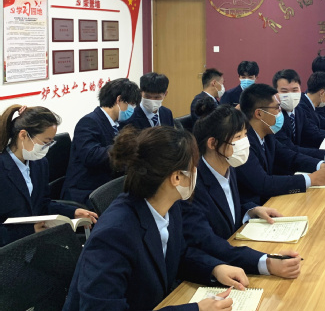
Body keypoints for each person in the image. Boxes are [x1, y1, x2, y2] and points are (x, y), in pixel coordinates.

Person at [63, 126, 248, 311]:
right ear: (176, 177)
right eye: (194, 166)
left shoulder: (169, 206)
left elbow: (178, 255)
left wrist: (214, 269)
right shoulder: (114, 234)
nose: (196, 171)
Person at [183, 102, 302, 279]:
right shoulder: (192, 185)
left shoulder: (228, 165)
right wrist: (266, 263)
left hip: (233, 250)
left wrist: (250, 210)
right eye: (238, 137)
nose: (245, 143)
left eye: (245, 134)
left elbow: (224, 208)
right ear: (212, 143)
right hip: (210, 270)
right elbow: (208, 243)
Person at [0, 105, 97, 246]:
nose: (46, 149)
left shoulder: (39, 163)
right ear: (23, 135)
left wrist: (73, 212)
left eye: (50, 143)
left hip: (37, 243)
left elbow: (43, 204)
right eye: (45, 143)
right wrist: (29, 231)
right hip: (9, 249)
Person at [235, 83, 325, 205]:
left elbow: (290, 156)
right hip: (254, 207)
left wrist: (320, 165)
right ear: (259, 114)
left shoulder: (267, 134)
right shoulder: (243, 143)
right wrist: (311, 179)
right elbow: (263, 183)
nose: (280, 112)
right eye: (277, 108)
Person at [62, 78, 141, 206]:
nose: (132, 109)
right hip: (87, 192)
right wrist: (123, 148)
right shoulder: (88, 122)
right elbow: (91, 155)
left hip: (108, 186)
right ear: (119, 100)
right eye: (131, 104)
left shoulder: (120, 124)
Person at [272, 69, 325, 163]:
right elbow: (290, 150)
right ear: (275, 93)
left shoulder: (298, 110)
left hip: (301, 161)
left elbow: (313, 133)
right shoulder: (274, 117)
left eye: (295, 90)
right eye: (284, 91)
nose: (290, 95)